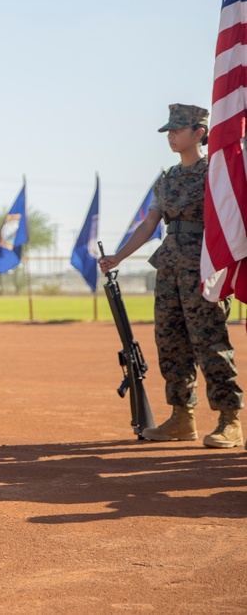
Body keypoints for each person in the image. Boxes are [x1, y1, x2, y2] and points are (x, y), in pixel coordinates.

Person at [99, 104, 243, 448]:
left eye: (178, 131)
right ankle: (182, 416)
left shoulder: (217, 172)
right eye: (169, 132)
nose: (172, 137)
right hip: (170, 267)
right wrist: (118, 256)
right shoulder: (168, 177)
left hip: (206, 268)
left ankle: (229, 419)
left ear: (200, 133)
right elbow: (150, 223)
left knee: (210, 343)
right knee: (170, 342)